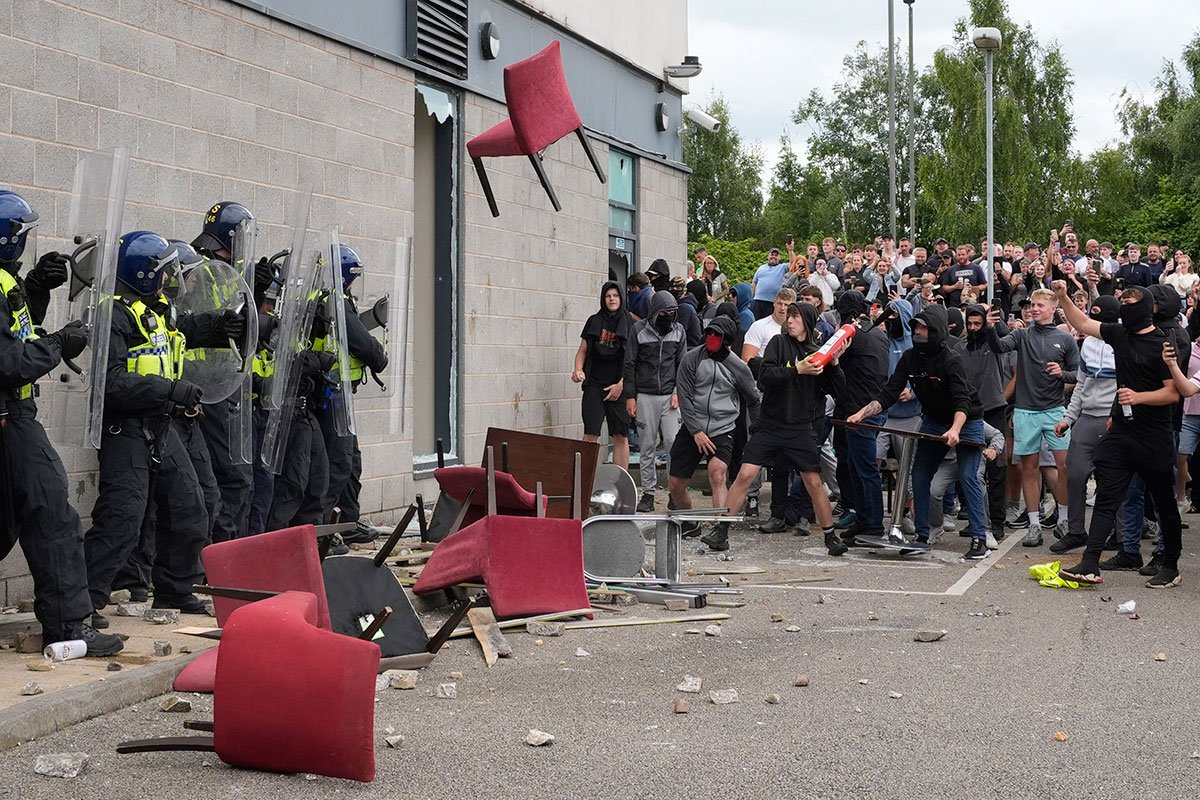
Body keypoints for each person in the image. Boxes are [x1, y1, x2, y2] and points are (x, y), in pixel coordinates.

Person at [84, 231, 240, 625]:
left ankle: (174, 589)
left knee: (191, 507)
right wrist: (170, 389)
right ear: (143, 272)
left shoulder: (156, 310)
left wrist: (221, 323)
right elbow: (112, 381)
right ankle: (82, 602)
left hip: (161, 425)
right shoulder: (113, 314)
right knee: (123, 517)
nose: (171, 279)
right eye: (165, 272)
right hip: (126, 429)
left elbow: (186, 328)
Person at [0, 190, 124, 656]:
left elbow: (14, 331)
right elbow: (10, 361)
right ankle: (71, 627)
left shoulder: (2, 281)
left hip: (12, 415)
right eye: (23, 238)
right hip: (9, 415)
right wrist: (60, 344)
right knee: (54, 517)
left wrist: (34, 287)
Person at [1052, 281, 1182, 588]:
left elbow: (1172, 393)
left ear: (1148, 308)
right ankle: (1089, 561)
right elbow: (1082, 322)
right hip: (1122, 433)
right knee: (1107, 496)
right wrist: (1062, 296)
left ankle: (1171, 564)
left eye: (1131, 302)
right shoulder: (1119, 334)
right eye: (1122, 301)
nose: (1125, 307)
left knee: (1164, 502)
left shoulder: (1162, 343)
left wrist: (1138, 397)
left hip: (1154, 437)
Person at [847, 304, 990, 559]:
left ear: (936, 331)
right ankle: (922, 534)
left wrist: (956, 430)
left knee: (969, 477)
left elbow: (962, 401)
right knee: (919, 476)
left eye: (924, 328)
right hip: (933, 420)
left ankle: (979, 538)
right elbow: (889, 393)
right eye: (916, 328)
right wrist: (862, 413)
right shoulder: (910, 357)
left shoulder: (951, 360)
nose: (918, 332)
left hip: (967, 421)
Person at [708, 302, 847, 556]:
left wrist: (835, 364)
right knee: (746, 474)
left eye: (795, 316)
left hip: (801, 428)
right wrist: (797, 370)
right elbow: (766, 377)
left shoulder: (817, 353)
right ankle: (721, 531)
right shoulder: (777, 343)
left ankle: (831, 537)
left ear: (807, 320)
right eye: (789, 315)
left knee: (814, 482)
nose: (789, 320)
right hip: (771, 423)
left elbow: (837, 391)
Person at [985, 288, 1078, 543]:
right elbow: (998, 347)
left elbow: (1078, 375)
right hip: (1025, 411)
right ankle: (1034, 523)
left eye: (1039, 305)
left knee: (1064, 465)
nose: (1034, 309)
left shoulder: (1065, 339)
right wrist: (991, 327)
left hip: (1055, 410)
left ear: (1052, 308)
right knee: (1029, 467)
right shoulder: (1021, 334)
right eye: (1031, 305)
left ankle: (1063, 518)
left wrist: (1062, 374)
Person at [315, 242, 389, 538]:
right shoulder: (333, 300)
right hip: (331, 393)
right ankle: (325, 530)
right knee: (339, 462)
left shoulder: (338, 299)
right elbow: (359, 341)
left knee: (351, 460)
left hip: (341, 392)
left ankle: (347, 522)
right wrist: (379, 355)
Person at [191, 201, 255, 541]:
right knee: (230, 478)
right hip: (204, 384)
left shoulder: (227, 272)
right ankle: (221, 554)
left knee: (230, 478)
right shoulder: (198, 269)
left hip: (224, 385)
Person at [669, 317, 761, 536]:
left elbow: (753, 399)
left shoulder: (738, 367)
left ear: (726, 340)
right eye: (709, 334)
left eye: (717, 335)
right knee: (675, 483)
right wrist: (696, 431)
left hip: (723, 426)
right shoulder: (691, 359)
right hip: (694, 425)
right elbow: (684, 395)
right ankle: (691, 522)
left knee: (718, 473)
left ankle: (720, 529)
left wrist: (758, 432)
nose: (711, 339)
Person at [1050, 296, 1119, 555]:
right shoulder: (1088, 343)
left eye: (1098, 315)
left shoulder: (1122, 342)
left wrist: (1119, 416)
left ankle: (1119, 535)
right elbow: (1081, 384)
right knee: (1076, 474)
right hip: (1086, 418)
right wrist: (1068, 418)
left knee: (1111, 479)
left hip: (1113, 420)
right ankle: (1076, 531)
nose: (1092, 320)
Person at [828, 290, 889, 547]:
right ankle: (864, 520)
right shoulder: (877, 333)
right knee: (857, 466)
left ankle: (873, 526)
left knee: (863, 470)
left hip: (858, 410)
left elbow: (830, 360)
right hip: (871, 408)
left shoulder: (852, 334)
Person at [624, 290, 686, 512]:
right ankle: (648, 493)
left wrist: (678, 391)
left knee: (672, 444)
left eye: (672, 312)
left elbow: (682, 364)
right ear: (654, 312)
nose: (668, 316)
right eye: (664, 312)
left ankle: (674, 492)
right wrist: (630, 396)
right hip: (645, 395)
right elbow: (629, 363)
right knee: (647, 446)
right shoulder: (638, 331)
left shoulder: (679, 331)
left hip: (670, 395)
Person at [962, 305, 1012, 537]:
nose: (973, 328)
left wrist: (993, 325)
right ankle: (976, 519)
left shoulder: (993, 344)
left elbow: (1000, 337)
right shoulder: (962, 347)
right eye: (969, 324)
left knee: (997, 467)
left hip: (993, 408)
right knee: (969, 468)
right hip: (970, 412)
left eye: (977, 324)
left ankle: (997, 522)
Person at [574, 281, 632, 470]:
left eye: (615, 295)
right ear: (603, 299)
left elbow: (633, 360)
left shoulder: (630, 322)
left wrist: (621, 385)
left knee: (620, 435)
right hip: (594, 384)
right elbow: (583, 350)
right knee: (591, 434)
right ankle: (583, 483)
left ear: (621, 298)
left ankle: (620, 484)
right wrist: (577, 369)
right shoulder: (594, 320)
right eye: (608, 296)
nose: (612, 299)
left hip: (619, 385)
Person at [741, 288, 795, 362]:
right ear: (774, 303)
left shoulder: (795, 329)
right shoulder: (759, 326)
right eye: (779, 303)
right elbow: (747, 359)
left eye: (786, 305)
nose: (782, 308)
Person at [750, 247, 788, 319]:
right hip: (757, 301)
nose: (773, 256)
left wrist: (790, 250)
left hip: (772, 302)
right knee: (754, 323)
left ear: (780, 257)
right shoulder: (761, 267)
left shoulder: (782, 267)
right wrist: (751, 299)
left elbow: (793, 263)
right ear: (768, 256)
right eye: (772, 254)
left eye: (776, 255)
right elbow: (754, 283)